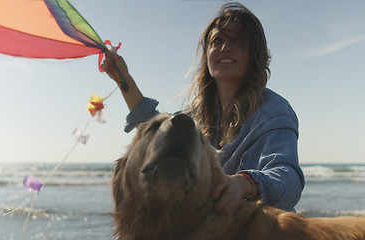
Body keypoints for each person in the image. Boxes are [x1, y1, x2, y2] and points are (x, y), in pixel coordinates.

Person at [101, 2, 304, 213]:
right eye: (217, 40)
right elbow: (154, 128)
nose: (226, 47)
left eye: (239, 41)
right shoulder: (197, 113)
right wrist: (123, 79)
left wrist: (242, 184)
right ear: (206, 52)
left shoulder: (273, 111)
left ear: (255, 55)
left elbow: (287, 177)